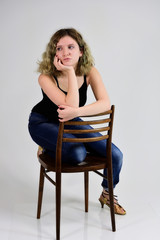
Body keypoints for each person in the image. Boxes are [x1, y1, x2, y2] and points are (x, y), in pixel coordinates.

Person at [28, 28, 126, 215]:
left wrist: (78, 112)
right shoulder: (45, 77)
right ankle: (46, 146)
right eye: (59, 48)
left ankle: (107, 193)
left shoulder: (90, 72)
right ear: (53, 53)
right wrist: (70, 72)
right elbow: (68, 104)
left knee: (115, 154)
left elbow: (104, 103)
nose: (65, 52)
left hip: (72, 120)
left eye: (71, 47)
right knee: (77, 153)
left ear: (81, 51)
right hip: (43, 123)